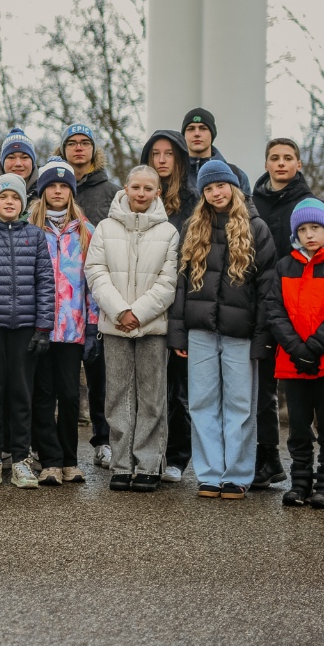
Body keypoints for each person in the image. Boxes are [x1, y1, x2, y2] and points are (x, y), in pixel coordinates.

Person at [168, 160, 277, 499]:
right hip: (200, 330)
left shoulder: (256, 228)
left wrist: (263, 338)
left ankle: (237, 474)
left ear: (233, 187)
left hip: (240, 332)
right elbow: (180, 284)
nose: (216, 193)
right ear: (203, 192)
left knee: (240, 405)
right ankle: (210, 473)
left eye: (221, 186)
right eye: (209, 188)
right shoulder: (193, 227)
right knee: (202, 403)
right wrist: (178, 332)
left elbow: (267, 289)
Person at [85, 165, 180, 493]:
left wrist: (138, 313)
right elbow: (96, 271)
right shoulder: (105, 228)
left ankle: (149, 464)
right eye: (135, 187)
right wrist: (120, 311)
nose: (141, 193)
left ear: (157, 192)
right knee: (119, 396)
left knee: (153, 396)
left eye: (148, 188)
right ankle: (122, 464)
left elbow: (169, 281)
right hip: (115, 326)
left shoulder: (169, 233)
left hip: (153, 327)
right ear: (125, 188)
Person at [265, 198, 324, 510]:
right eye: (303, 229)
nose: (309, 234)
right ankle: (300, 484)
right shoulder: (284, 266)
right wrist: (296, 349)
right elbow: (275, 311)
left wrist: (314, 347)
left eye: (316, 228)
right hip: (293, 362)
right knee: (297, 427)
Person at [0, 173, 54, 490]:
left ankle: (20, 460)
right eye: (3, 197)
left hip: (26, 329)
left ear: (23, 203)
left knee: (21, 395)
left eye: (15, 197)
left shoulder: (36, 237)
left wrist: (43, 328)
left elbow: (46, 285)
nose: (9, 202)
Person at [248, 137, 313, 488]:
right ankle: (267, 458)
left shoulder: (307, 202)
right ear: (267, 163)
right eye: (275, 158)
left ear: (298, 164)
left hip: (296, 303)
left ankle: (306, 465)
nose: (281, 163)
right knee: (261, 385)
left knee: (299, 387)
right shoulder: (253, 202)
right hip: (258, 303)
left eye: (288, 158)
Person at [27, 161, 96, 486]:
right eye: (52, 186)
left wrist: (93, 325)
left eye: (64, 186)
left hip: (72, 329)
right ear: (42, 192)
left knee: (69, 395)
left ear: (71, 192)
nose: (57, 191)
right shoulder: (30, 229)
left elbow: (94, 281)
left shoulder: (85, 231)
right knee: (43, 394)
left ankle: (70, 459)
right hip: (38, 327)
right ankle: (50, 460)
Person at [58, 123, 115, 470]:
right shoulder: (51, 186)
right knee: (56, 383)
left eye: (85, 143)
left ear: (94, 150)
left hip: (101, 291)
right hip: (62, 299)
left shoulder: (109, 191)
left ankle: (103, 440)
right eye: (72, 143)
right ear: (63, 150)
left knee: (100, 377)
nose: (79, 149)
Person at [141, 128, 194, 484]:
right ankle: (146, 454)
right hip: (143, 301)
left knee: (177, 389)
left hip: (179, 300)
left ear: (179, 159)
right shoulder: (138, 196)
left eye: (168, 154)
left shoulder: (192, 201)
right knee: (146, 386)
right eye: (155, 154)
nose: (161, 160)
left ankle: (176, 455)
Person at [179, 107, 252, 193]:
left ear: (212, 134)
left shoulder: (235, 174)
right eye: (191, 129)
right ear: (184, 135)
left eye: (203, 128)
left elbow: (247, 206)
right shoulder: (174, 174)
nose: (197, 134)